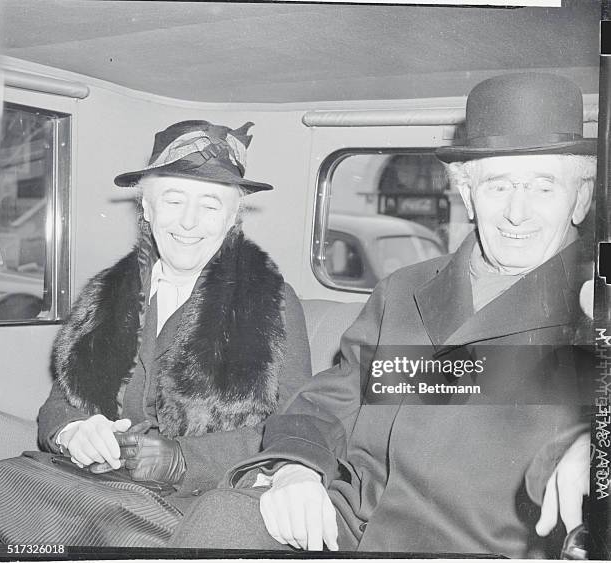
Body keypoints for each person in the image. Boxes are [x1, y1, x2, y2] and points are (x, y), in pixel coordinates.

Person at [169, 74, 596, 558]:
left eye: (544, 187)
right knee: (225, 517)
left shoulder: (595, 304)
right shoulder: (405, 289)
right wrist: (296, 469)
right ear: (468, 195)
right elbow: (328, 403)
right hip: (350, 527)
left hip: (488, 547)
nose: (518, 213)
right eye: (498, 186)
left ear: (579, 199)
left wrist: (597, 447)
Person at [0, 120, 311, 546]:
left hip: (186, 501)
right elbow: (59, 404)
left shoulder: (272, 300)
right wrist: (74, 431)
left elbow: (296, 425)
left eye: (210, 205)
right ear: (147, 209)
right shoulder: (105, 294)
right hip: (86, 483)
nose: (187, 222)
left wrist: (182, 460)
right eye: (173, 199)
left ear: (233, 217)